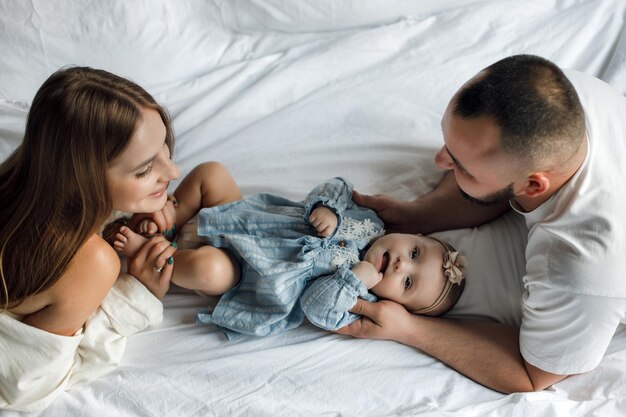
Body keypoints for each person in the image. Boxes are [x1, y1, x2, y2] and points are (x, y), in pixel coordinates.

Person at [339, 54, 626, 393]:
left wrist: (407, 328)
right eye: (447, 140)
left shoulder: (583, 268)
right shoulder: (557, 93)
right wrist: (420, 214)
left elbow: (531, 375)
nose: (439, 161)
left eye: (461, 165)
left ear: (533, 186)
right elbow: (500, 187)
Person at [0, 66, 234, 411]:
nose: (172, 172)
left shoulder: (27, 172)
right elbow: (25, 387)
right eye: (144, 170)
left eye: (165, 150)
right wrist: (136, 294)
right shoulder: (91, 261)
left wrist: (125, 208)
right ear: (84, 178)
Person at [114, 177, 467, 339]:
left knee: (208, 270)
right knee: (212, 174)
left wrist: (355, 278)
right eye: (415, 252)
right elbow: (338, 186)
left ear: (396, 302)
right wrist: (327, 206)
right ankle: (171, 219)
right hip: (245, 218)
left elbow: (317, 308)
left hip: (242, 271)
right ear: (412, 235)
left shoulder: (359, 294)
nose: (403, 264)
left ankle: (145, 253)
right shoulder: (369, 222)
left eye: (408, 282)